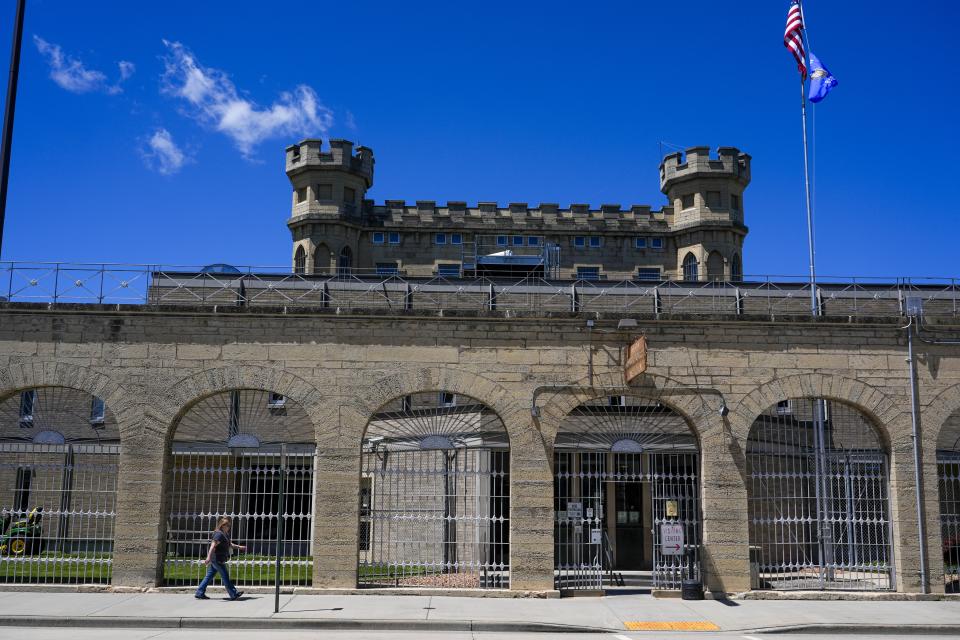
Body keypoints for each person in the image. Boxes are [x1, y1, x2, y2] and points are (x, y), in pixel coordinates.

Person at [195, 517, 246, 600]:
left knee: (209, 575)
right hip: (217, 558)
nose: (229, 527)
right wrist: (208, 557)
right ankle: (233, 593)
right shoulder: (219, 534)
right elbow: (212, 546)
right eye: (227, 525)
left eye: (229, 525)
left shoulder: (225, 534)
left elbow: (230, 545)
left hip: (220, 558)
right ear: (222, 526)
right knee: (225, 576)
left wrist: (240, 547)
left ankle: (199, 592)